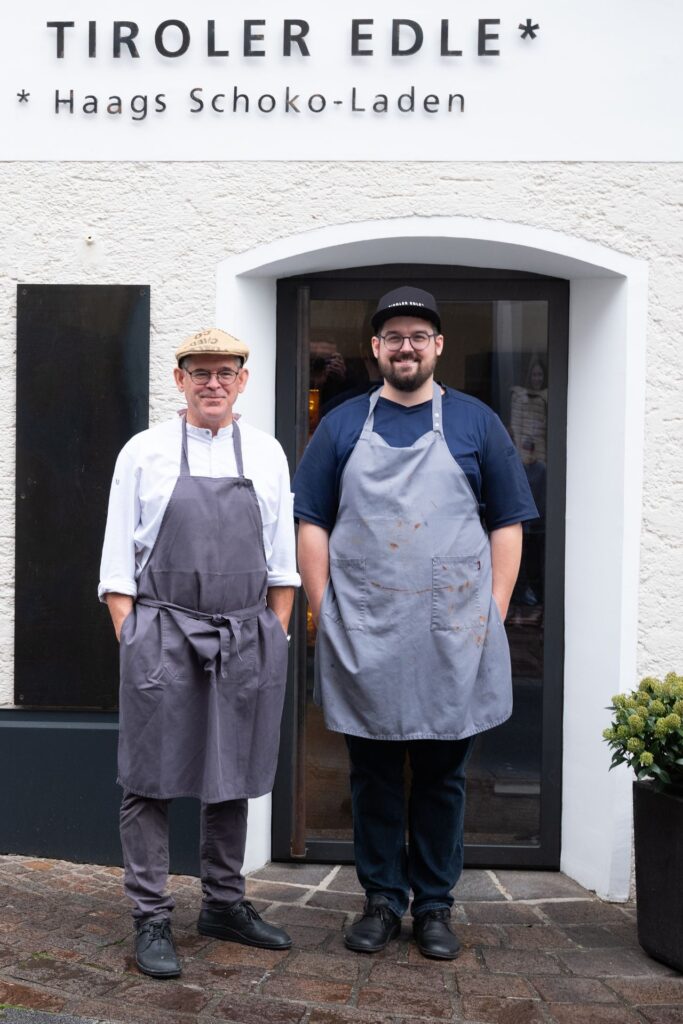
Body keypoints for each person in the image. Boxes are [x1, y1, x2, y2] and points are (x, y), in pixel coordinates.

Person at [293, 288, 537, 960]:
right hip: (364, 627)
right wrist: (325, 606)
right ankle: (379, 901)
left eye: (417, 335)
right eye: (392, 335)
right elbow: (310, 519)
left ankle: (433, 906)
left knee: (441, 777)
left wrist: (489, 607)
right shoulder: (342, 422)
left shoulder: (476, 422)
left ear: (437, 346)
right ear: (375, 348)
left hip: (450, 630)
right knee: (371, 775)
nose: (405, 346)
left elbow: (507, 523)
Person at [99, 328, 299, 978]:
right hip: (163, 634)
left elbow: (281, 564)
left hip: (244, 636)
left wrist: (274, 636)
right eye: (199, 372)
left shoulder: (266, 453)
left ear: (243, 380)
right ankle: (151, 915)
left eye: (224, 372)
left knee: (230, 775)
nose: (212, 383)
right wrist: (134, 638)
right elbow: (116, 566)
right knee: (148, 782)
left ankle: (223, 903)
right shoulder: (145, 452)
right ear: (179, 379)